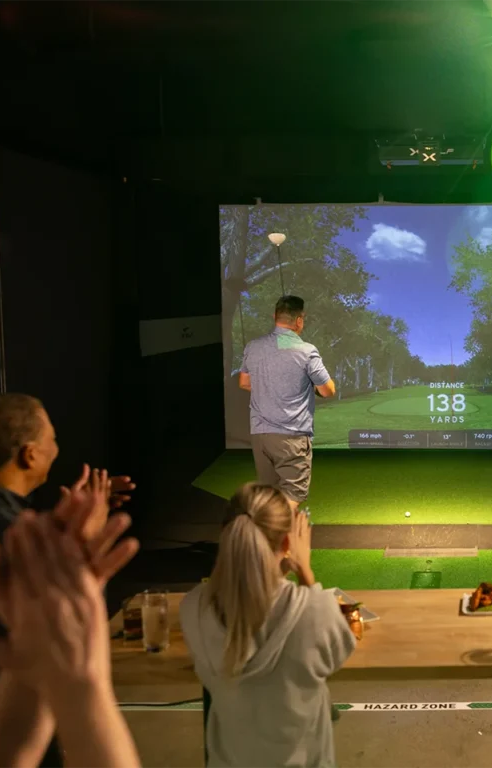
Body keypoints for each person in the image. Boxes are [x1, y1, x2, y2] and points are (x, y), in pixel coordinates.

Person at [0, 393, 134, 767]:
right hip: (3, 725)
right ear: (30, 455)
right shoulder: (6, 531)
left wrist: (61, 527)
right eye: (51, 438)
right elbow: (66, 626)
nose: (57, 447)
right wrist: (75, 549)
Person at [180, 483, 356, 768]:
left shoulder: (193, 606)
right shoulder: (315, 610)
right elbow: (338, 650)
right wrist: (305, 571)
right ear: (287, 545)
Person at [239, 296, 336, 506]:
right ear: (299, 320)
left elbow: (244, 383)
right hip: (291, 436)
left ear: (275, 317)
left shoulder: (253, 346)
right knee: (293, 494)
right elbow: (328, 390)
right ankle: (270, 535)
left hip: (260, 436)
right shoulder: (306, 351)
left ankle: (268, 536)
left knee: (269, 496)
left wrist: (269, 389)